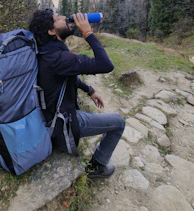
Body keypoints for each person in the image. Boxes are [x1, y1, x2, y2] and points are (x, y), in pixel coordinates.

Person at [29, 9, 125, 179]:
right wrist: (87, 33)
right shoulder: (59, 58)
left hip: (48, 115)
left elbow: (67, 74)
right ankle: (97, 167)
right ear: (51, 31)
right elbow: (105, 65)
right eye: (58, 18)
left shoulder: (46, 51)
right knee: (118, 122)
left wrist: (89, 90)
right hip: (62, 123)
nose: (65, 18)